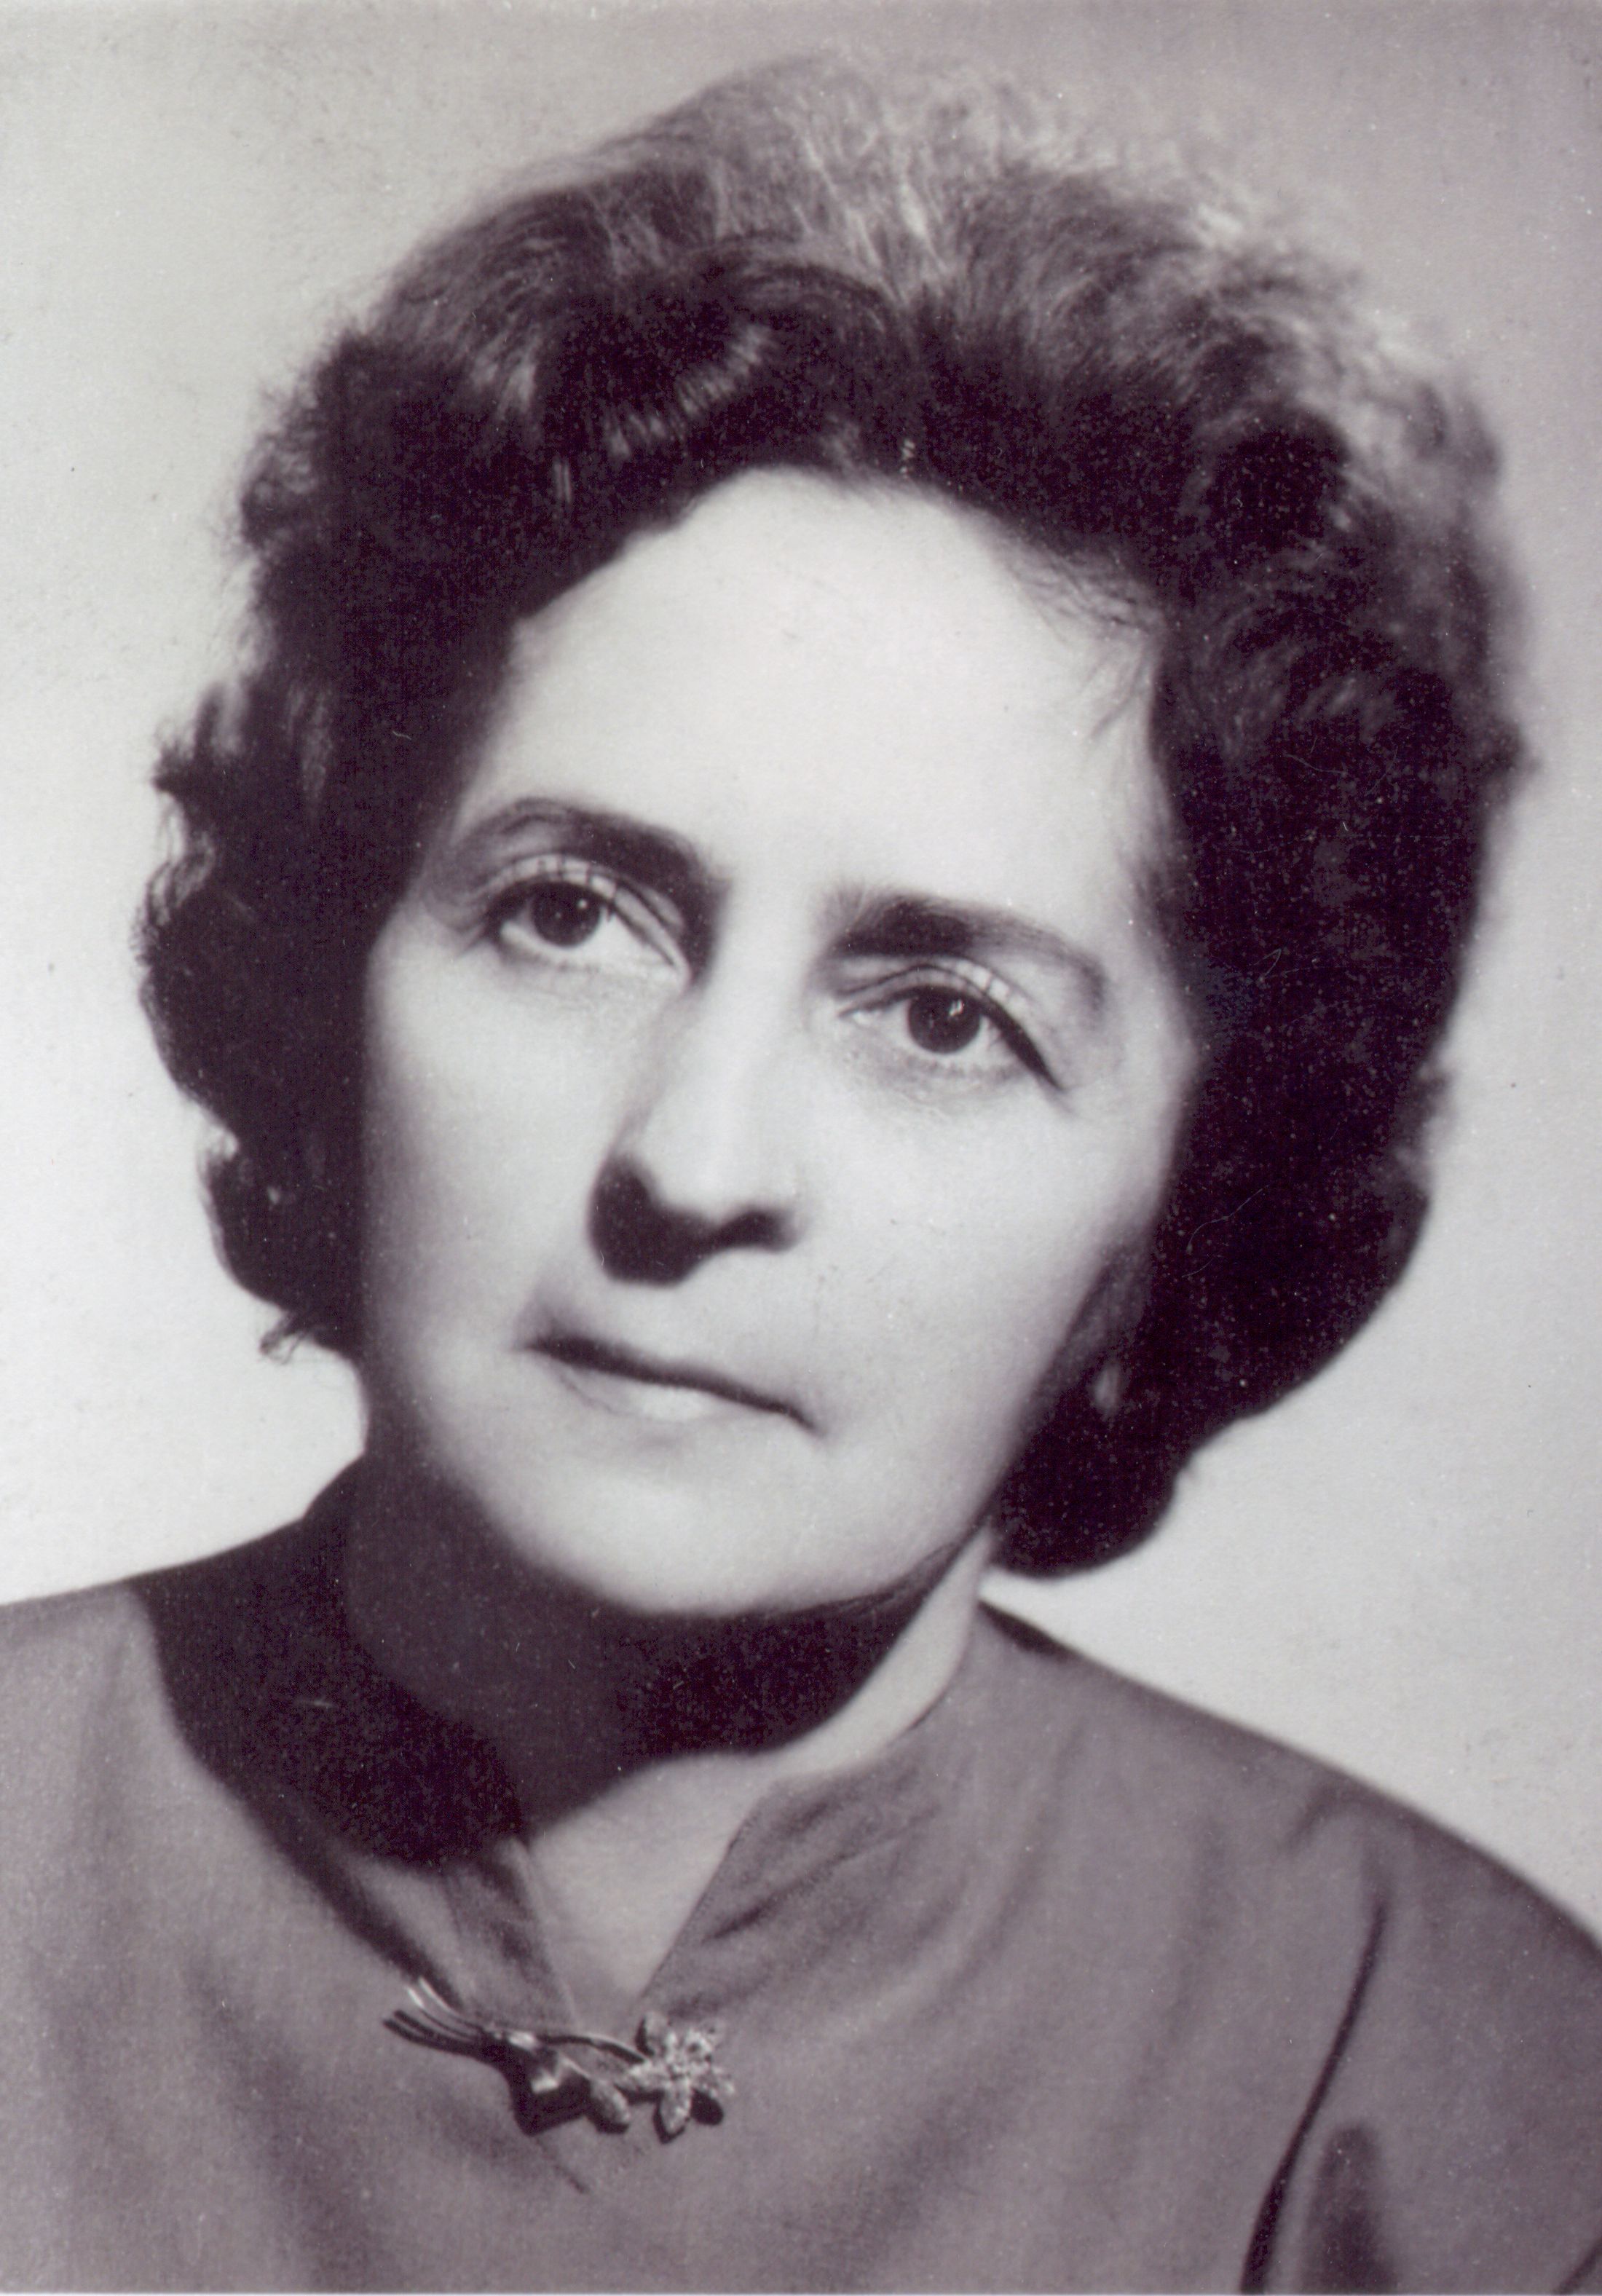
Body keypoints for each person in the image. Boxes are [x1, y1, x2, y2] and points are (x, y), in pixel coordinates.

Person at [1, 52, 1598, 2294]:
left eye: (942, 1015)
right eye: (568, 913)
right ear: (336, 962)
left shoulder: (1442, 2095)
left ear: (1193, 1199)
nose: (693, 1158)